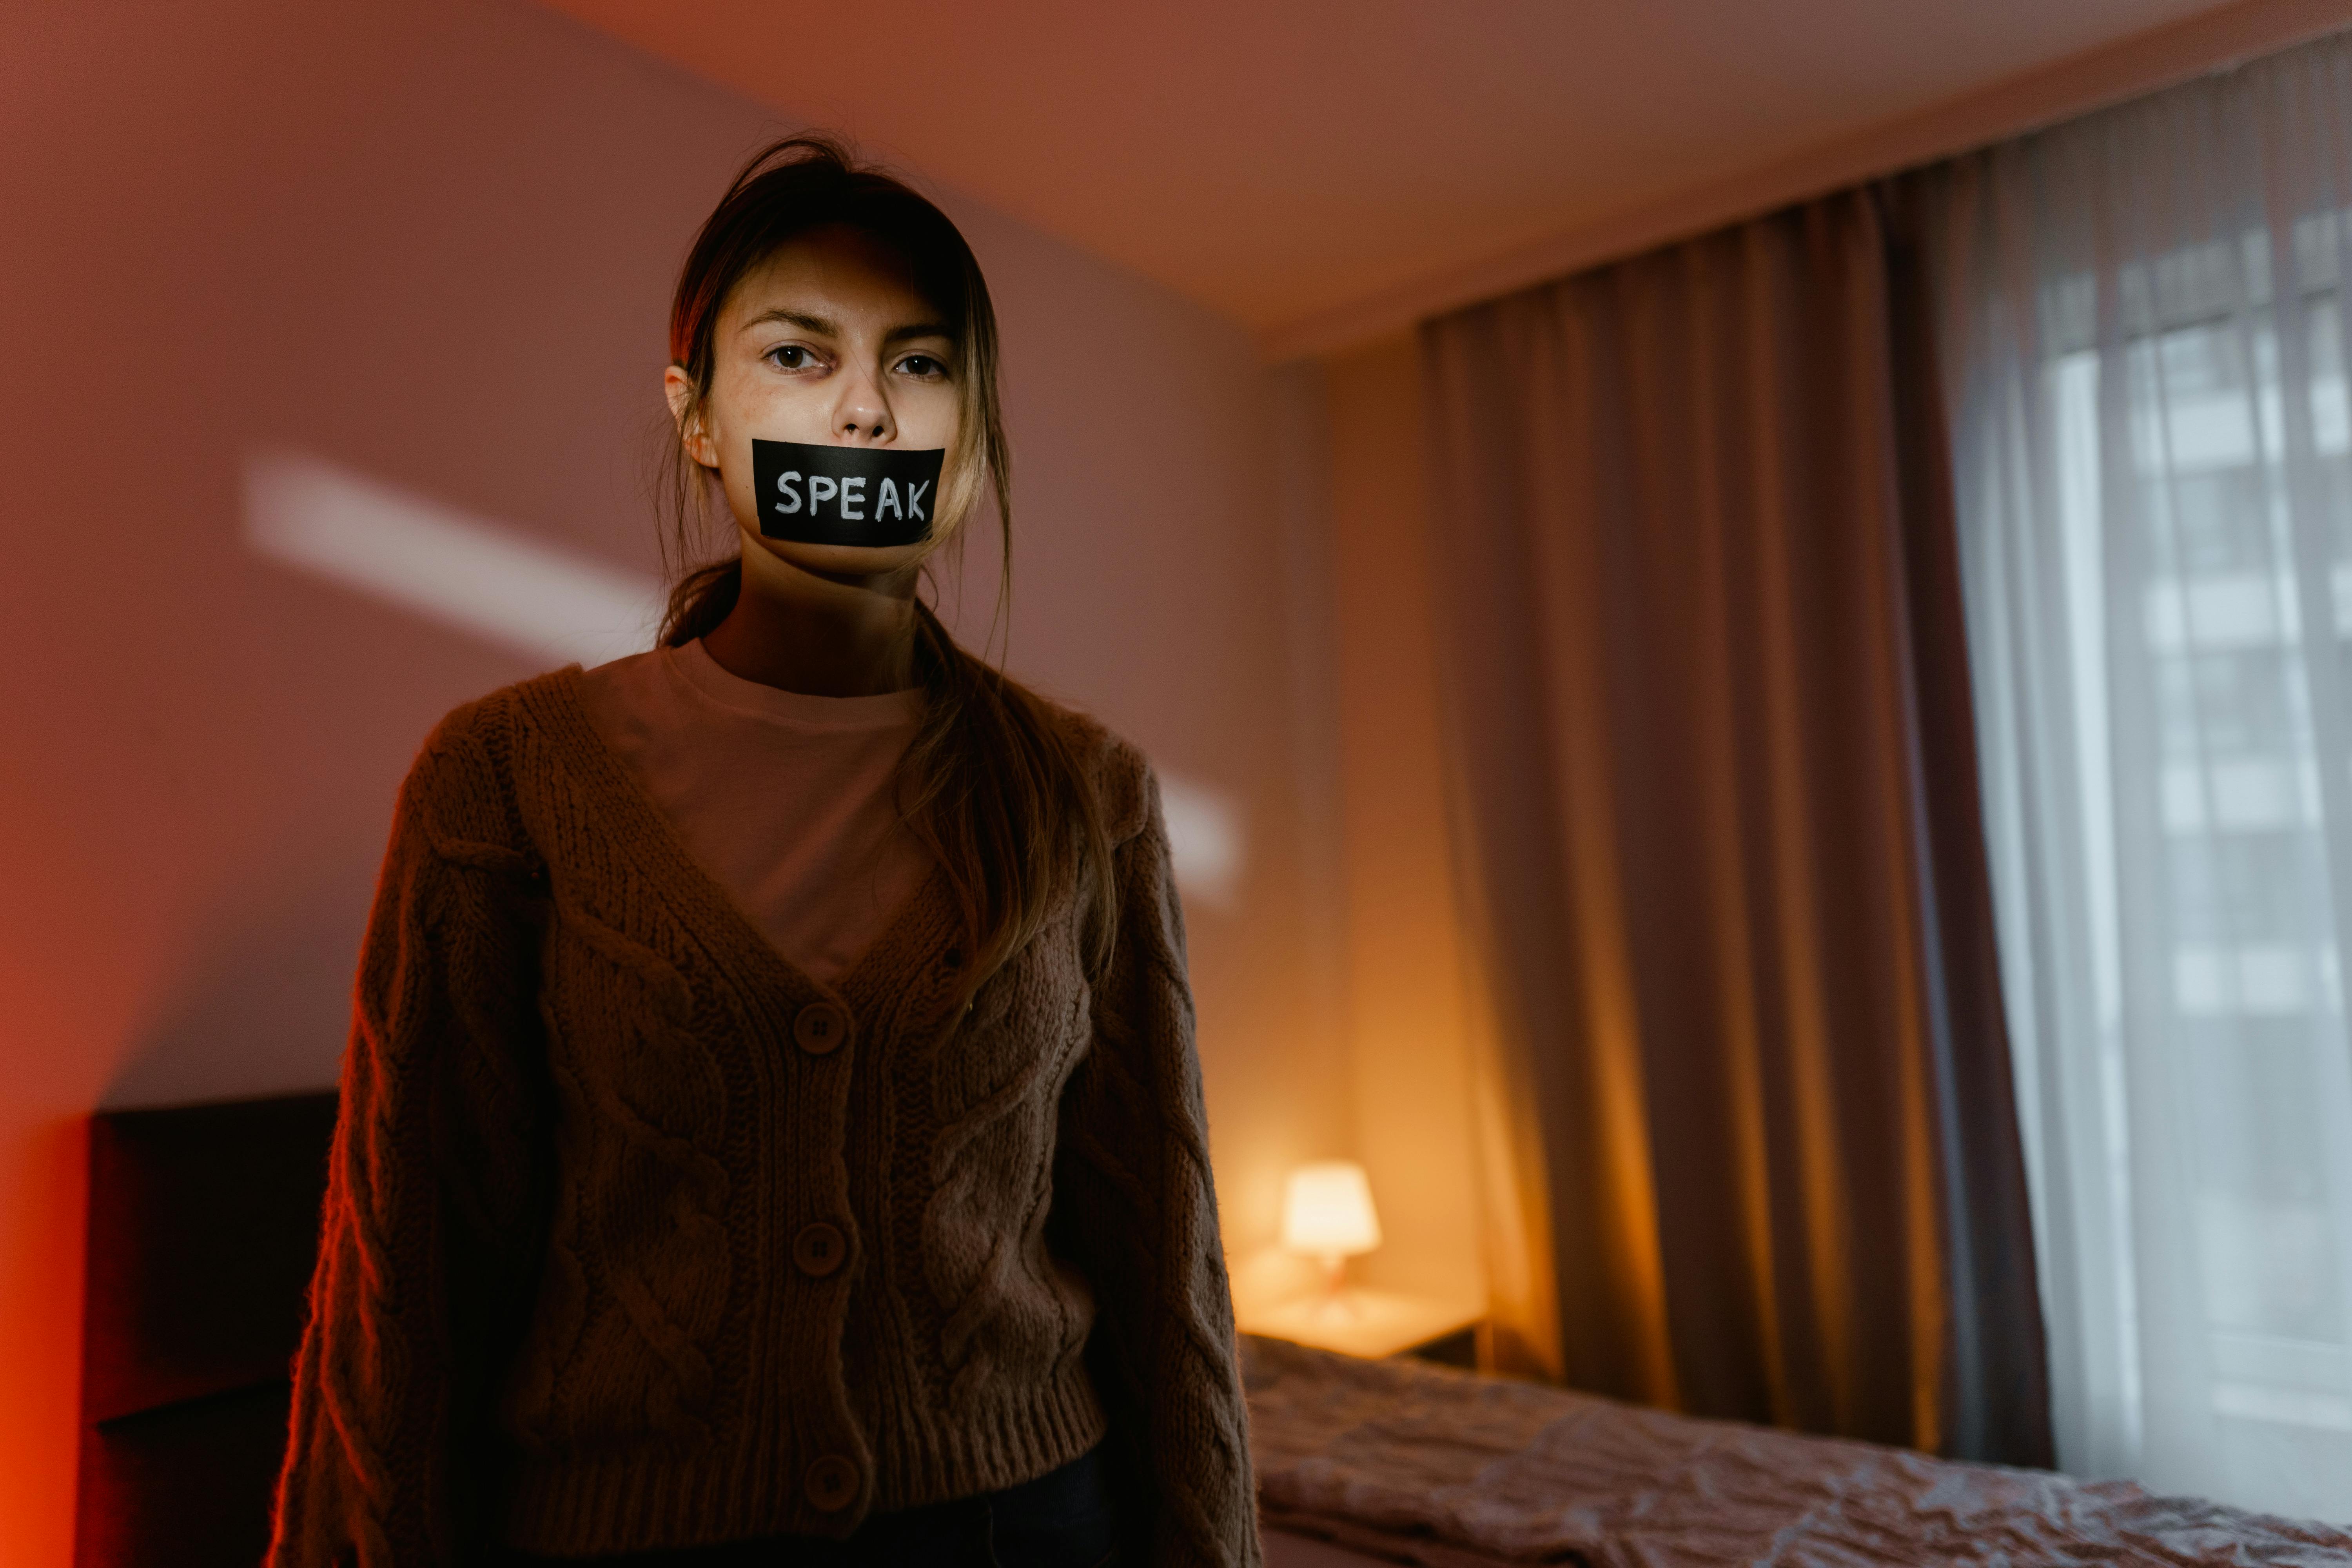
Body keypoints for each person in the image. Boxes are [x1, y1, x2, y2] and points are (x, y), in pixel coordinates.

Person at [264, 135, 1262, 1568]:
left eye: (920, 368)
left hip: (1036, 1528)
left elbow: (1167, 1266)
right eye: (799, 357)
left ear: (969, 439)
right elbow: (409, 1292)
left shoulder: (1086, 793)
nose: (863, 410)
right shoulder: (506, 785)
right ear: (698, 418)